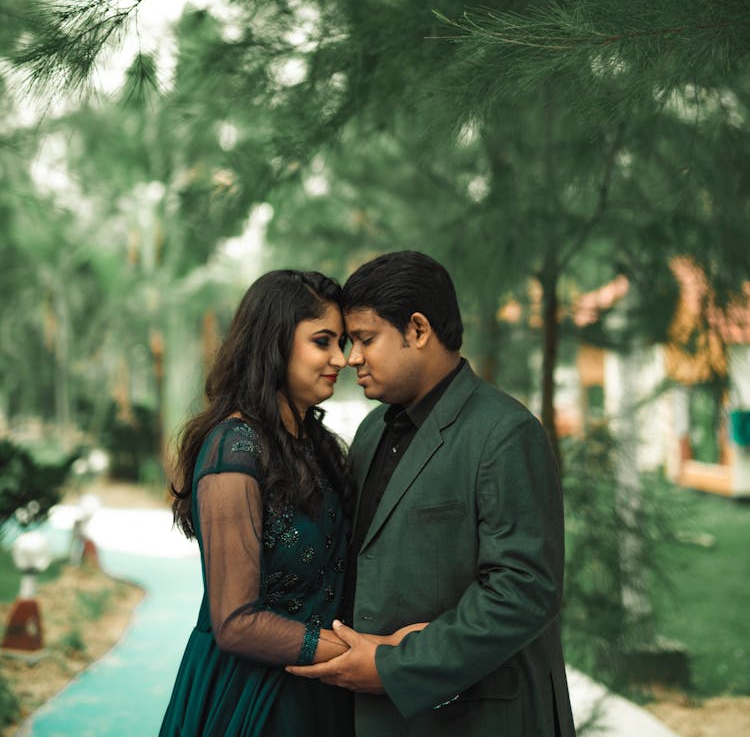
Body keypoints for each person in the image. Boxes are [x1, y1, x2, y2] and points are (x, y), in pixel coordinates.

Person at [289, 250, 576, 736]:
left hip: (479, 717)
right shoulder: (373, 429)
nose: (351, 357)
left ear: (418, 330)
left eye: (364, 339)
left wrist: (394, 666)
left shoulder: (504, 433)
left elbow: (524, 591)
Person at [159, 269, 356, 737]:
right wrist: (367, 655)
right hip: (251, 699)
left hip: (321, 690)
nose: (340, 359)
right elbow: (236, 623)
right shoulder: (235, 446)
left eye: (342, 342)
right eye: (322, 341)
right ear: (275, 342)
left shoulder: (318, 446)